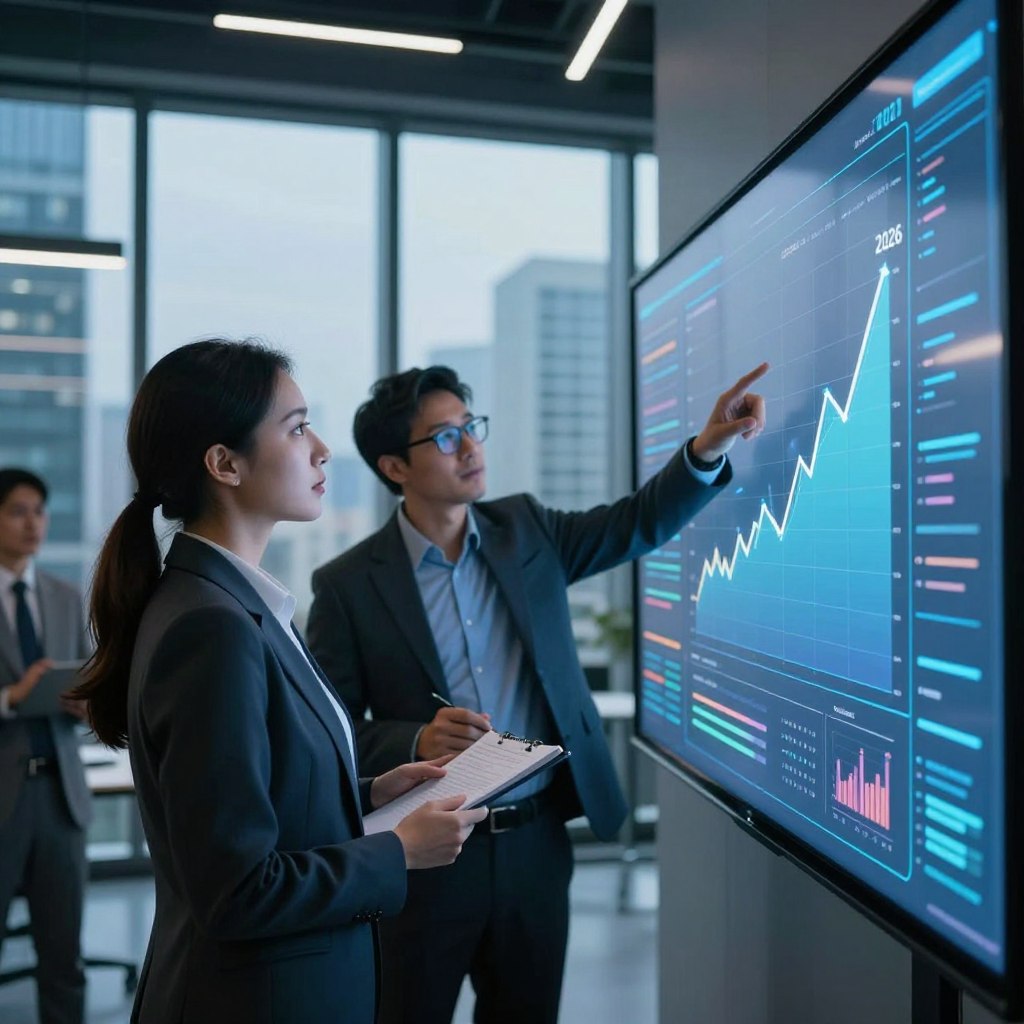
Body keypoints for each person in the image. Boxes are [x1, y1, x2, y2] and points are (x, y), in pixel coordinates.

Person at [306, 360, 769, 1024]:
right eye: (445, 437)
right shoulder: (348, 584)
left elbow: (636, 522)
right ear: (394, 467)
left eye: (471, 426)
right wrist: (414, 738)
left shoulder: (526, 530)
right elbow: (331, 730)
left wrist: (706, 448)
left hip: (536, 846)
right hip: (427, 851)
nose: (471, 447)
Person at [72, 339, 486, 1024]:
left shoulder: (235, 602)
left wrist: (365, 794)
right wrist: (397, 853)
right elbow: (237, 888)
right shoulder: (213, 626)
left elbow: (252, 800)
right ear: (224, 464)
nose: (321, 450)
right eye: (297, 429)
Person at [0, 468, 91, 1024]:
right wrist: (12, 697)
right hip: (3, 796)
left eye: (39, 511)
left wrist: (86, 703)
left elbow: (88, 683)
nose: (32, 523)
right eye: (17, 511)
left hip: (61, 797)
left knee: (64, 960)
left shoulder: (64, 596)